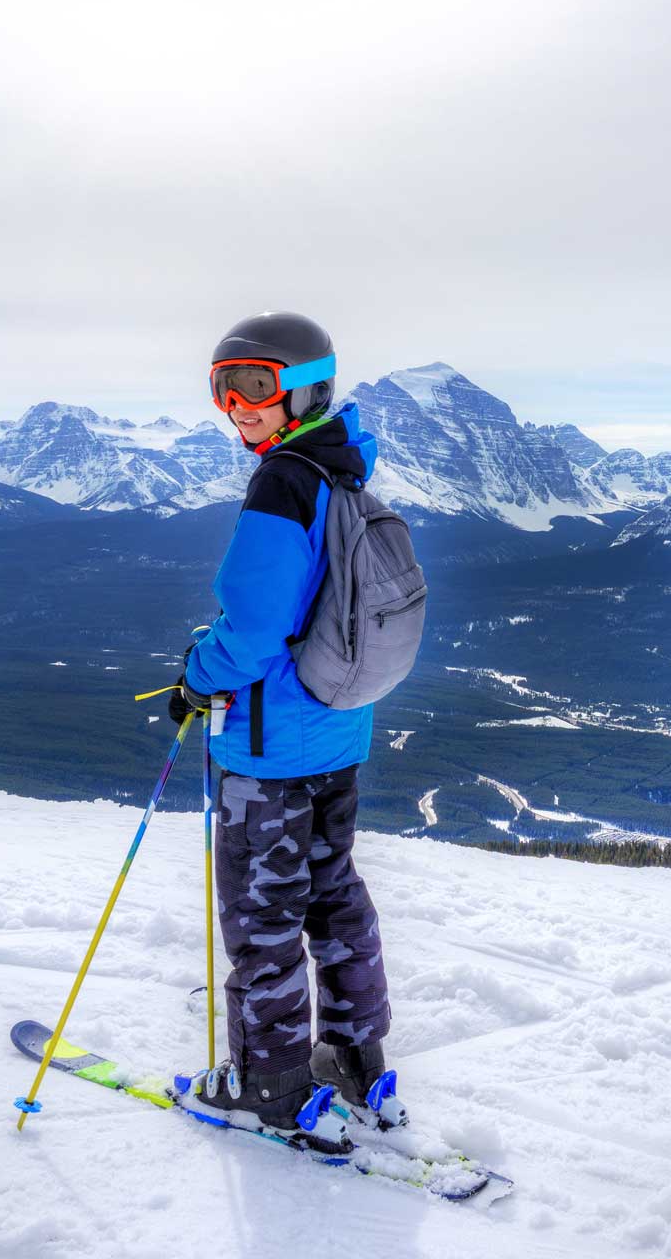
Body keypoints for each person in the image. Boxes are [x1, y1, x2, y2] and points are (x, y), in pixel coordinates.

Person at [168, 311, 401, 1137]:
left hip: (269, 746)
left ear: (306, 387)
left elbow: (255, 629)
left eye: (257, 384)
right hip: (339, 732)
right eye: (223, 388)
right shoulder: (344, 467)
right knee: (332, 896)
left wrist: (197, 676)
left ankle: (270, 1084)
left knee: (263, 917)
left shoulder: (282, 483)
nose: (238, 405)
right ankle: (356, 1059)